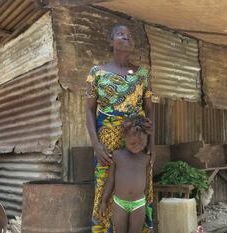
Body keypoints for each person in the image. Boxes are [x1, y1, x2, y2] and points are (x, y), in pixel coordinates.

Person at [85, 24, 154, 233]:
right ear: (111, 41)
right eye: (120, 34)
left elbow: (150, 110)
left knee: (140, 188)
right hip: (106, 143)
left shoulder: (143, 74)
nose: (126, 37)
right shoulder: (96, 73)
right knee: (104, 188)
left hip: (137, 141)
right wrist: (96, 145)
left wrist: (152, 145)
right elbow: (89, 110)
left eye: (129, 36)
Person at [100, 115, 153, 233]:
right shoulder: (117, 156)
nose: (137, 146)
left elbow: (147, 183)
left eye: (142, 143)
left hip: (138, 203)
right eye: (133, 143)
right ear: (125, 137)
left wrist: (144, 199)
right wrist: (103, 201)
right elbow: (111, 181)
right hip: (120, 203)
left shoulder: (145, 159)